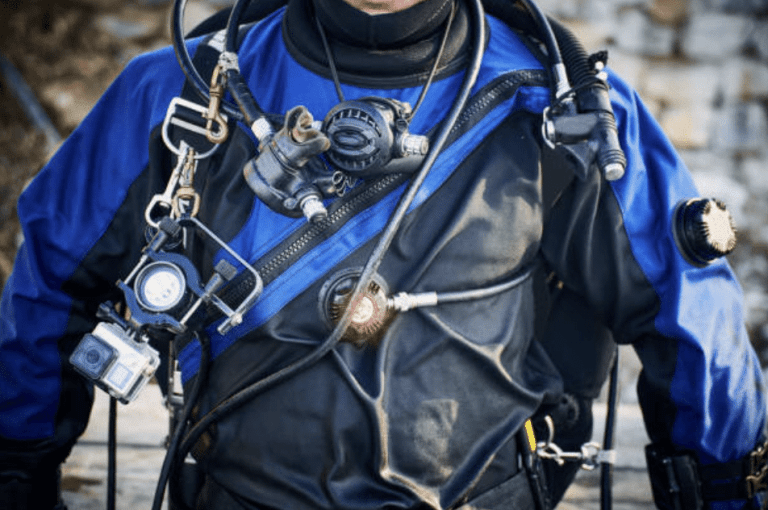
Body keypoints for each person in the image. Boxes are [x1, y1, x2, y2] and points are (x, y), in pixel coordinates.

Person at [1, 0, 766, 507]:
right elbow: (47, 289)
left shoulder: (565, 111)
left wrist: (729, 491)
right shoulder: (178, 91)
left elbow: (691, 316)